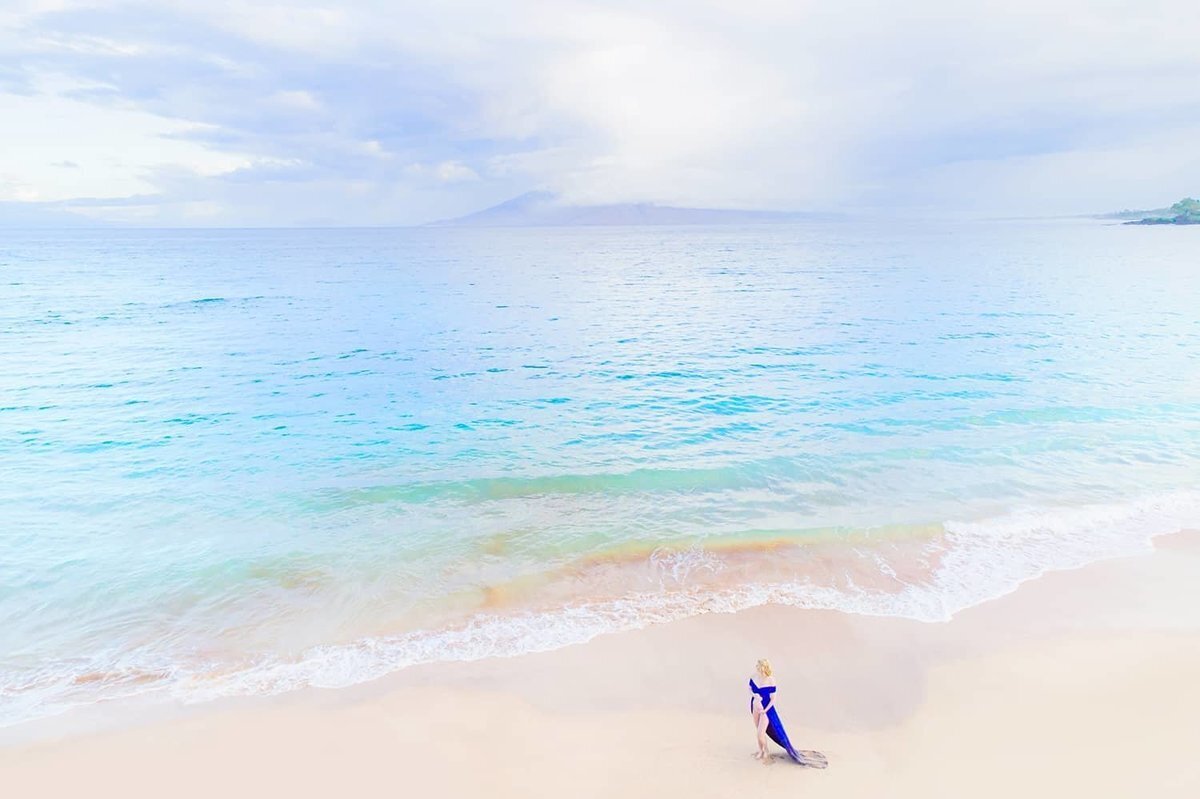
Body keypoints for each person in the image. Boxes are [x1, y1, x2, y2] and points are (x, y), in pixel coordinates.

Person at [749, 657, 820, 766]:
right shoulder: (754, 677)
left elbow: (773, 699)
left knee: (760, 733)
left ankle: (765, 751)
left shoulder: (771, 680)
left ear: (765, 669)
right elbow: (750, 688)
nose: (758, 670)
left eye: (760, 669)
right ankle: (762, 750)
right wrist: (755, 696)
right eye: (758, 668)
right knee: (758, 729)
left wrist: (765, 710)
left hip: (766, 709)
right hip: (755, 706)